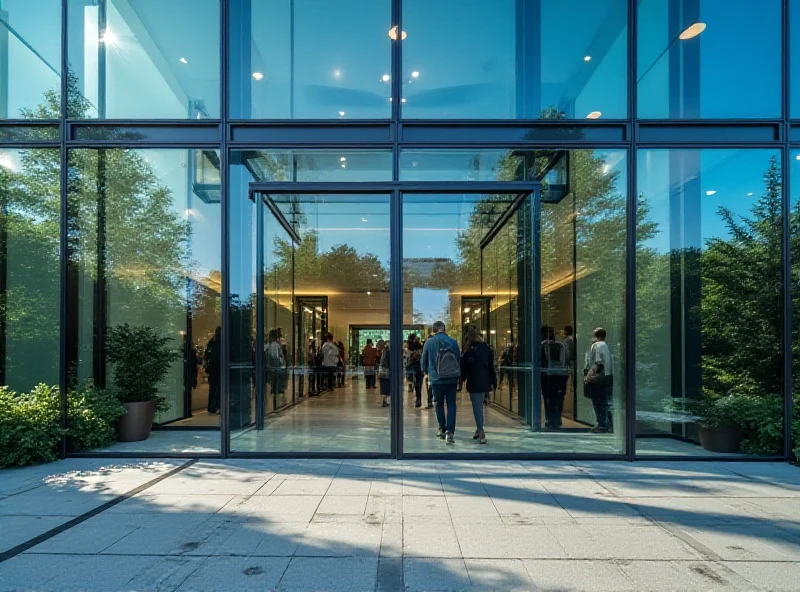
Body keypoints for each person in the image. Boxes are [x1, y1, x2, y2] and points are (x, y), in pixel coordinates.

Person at [421, 321, 461, 444]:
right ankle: (450, 431)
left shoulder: (429, 342)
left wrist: (427, 372)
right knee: (451, 404)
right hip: (452, 378)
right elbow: (459, 360)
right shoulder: (453, 342)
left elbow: (423, 362)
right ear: (444, 329)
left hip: (436, 379)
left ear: (434, 330)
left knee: (438, 404)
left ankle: (442, 428)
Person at [460, 326, 496, 444]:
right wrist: (493, 381)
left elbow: (464, 368)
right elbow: (491, 366)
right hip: (485, 381)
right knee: (479, 405)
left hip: (474, 382)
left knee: (477, 408)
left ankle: (481, 431)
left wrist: (461, 379)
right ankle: (478, 429)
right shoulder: (487, 349)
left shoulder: (469, 351)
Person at [584, 327, 613, 433]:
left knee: (597, 401)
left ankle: (601, 425)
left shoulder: (596, 346)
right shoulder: (606, 345)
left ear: (598, 336)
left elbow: (596, 364)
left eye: (593, 335)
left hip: (597, 378)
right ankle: (606, 423)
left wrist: (587, 377)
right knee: (604, 401)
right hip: (606, 376)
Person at [541, 326, 570, 430]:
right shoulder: (562, 345)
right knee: (559, 398)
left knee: (549, 398)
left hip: (548, 375)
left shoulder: (543, 345)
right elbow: (567, 360)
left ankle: (550, 420)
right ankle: (557, 419)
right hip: (561, 375)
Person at [204, 326, 221, 414]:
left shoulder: (211, 342)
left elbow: (206, 356)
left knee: (213, 390)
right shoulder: (223, 342)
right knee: (221, 389)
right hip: (220, 369)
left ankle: (211, 407)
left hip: (212, 370)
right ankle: (218, 406)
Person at [266, 329, 285, 397]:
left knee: (274, 381)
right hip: (276, 367)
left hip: (272, 367)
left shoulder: (269, 345)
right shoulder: (275, 345)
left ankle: (274, 390)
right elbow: (279, 357)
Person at [406, 334, 424, 407]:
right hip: (420, 366)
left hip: (412, 366)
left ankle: (418, 398)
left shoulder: (409, 348)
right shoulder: (420, 347)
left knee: (416, 382)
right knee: (420, 382)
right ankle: (420, 398)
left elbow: (408, 358)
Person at [378, 341, 391, 407]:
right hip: (388, 372)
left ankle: (384, 400)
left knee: (383, 387)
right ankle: (386, 401)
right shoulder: (390, 352)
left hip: (382, 372)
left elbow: (381, 363)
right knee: (388, 387)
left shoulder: (383, 352)